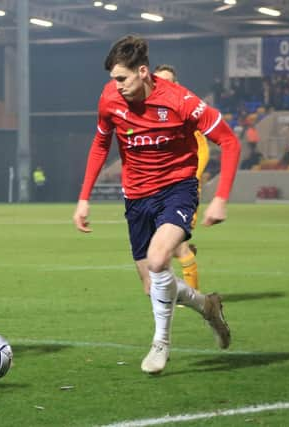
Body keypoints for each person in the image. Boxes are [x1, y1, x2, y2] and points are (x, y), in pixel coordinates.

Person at [72, 35, 241, 374]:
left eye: (122, 78)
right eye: (113, 80)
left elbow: (229, 141)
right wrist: (84, 197)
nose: (116, 86)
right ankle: (207, 305)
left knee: (159, 258)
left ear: (144, 71)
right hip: (135, 197)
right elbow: (100, 145)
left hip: (177, 189)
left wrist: (221, 197)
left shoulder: (181, 101)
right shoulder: (109, 100)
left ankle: (160, 344)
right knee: (153, 287)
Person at [154, 64, 210, 291]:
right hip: (158, 188)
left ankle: (193, 295)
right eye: (157, 79)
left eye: (167, 80)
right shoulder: (151, 110)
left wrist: (192, 177)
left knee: (175, 247)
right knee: (161, 244)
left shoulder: (185, 107)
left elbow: (202, 146)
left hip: (181, 189)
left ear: (175, 84)